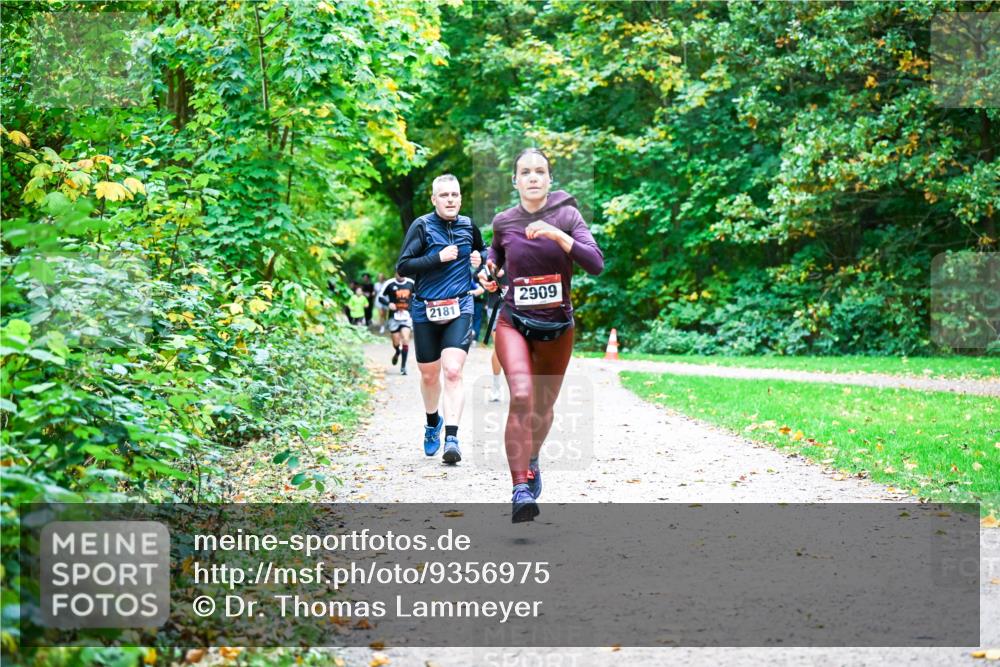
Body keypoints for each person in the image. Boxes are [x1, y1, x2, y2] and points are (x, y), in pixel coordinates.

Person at [479, 148, 604, 522]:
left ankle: (532, 458)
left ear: (550, 180)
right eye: (525, 172)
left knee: (543, 409)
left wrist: (558, 236)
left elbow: (595, 263)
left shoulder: (568, 215)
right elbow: (496, 253)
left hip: (557, 327)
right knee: (520, 395)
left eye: (540, 172)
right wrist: (488, 271)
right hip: (513, 320)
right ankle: (519, 488)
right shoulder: (504, 221)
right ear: (515, 181)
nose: (533, 177)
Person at [397, 174, 485, 464]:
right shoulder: (421, 226)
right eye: (444, 195)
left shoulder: (468, 225)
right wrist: (437, 258)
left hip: (460, 306)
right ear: (434, 199)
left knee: (452, 372)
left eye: (455, 195)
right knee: (429, 374)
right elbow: (404, 266)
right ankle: (432, 421)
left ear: (460, 197)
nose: (451, 200)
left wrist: (480, 259)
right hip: (425, 308)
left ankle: (452, 438)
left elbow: (483, 250)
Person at [378, 272, 415, 375]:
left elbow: (418, 296)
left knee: (406, 339)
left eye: (403, 272)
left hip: (407, 316)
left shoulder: (411, 283)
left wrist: (412, 310)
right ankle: (397, 351)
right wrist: (388, 304)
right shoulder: (389, 283)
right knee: (396, 343)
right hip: (393, 317)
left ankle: (403, 367)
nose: (401, 274)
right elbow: (380, 297)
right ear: (395, 273)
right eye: (399, 273)